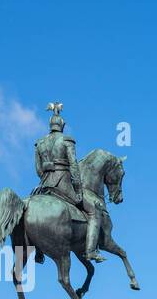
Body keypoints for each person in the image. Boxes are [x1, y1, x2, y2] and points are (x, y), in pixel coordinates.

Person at [33, 105, 104, 262]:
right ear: (62, 126)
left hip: (45, 186)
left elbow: (38, 170)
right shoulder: (67, 140)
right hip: (63, 184)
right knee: (94, 211)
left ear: (50, 126)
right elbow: (73, 165)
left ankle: (37, 249)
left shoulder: (39, 143)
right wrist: (78, 188)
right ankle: (91, 251)